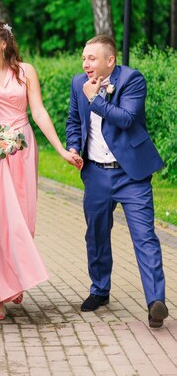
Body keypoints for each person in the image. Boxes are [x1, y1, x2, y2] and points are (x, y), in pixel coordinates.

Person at [0, 21, 82, 321]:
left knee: (22, 217)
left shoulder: (26, 70)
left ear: (4, 42)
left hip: (22, 148)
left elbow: (39, 111)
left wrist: (60, 149)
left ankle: (15, 278)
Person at [66, 34, 168, 328]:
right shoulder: (78, 83)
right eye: (84, 58)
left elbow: (125, 118)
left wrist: (94, 99)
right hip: (96, 172)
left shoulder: (132, 80)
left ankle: (155, 302)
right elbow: (74, 120)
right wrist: (74, 146)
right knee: (96, 234)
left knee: (144, 237)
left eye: (92, 58)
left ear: (110, 60)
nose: (86, 63)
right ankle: (99, 290)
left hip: (131, 174)